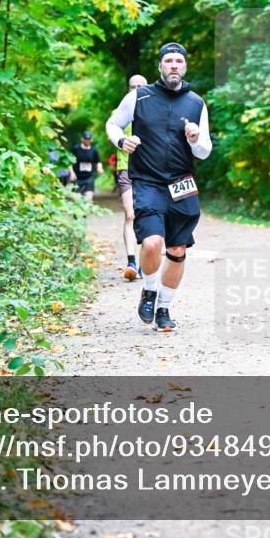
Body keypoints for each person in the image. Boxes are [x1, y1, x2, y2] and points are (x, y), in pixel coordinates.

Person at [106, 44, 212, 332]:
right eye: (168, 60)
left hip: (182, 183)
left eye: (179, 60)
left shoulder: (196, 103)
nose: (174, 65)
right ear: (160, 66)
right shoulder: (138, 96)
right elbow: (113, 124)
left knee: (177, 250)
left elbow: (204, 151)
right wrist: (122, 141)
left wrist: (194, 139)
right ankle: (150, 290)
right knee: (152, 243)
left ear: (185, 66)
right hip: (148, 181)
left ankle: (164, 308)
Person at [117, 74, 149, 281]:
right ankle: (131, 263)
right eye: (133, 86)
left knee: (148, 215)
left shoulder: (154, 111)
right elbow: (112, 132)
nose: (136, 90)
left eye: (141, 86)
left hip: (149, 171)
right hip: (126, 169)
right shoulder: (121, 112)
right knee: (130, 215)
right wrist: (122, 140)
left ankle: (146, 262)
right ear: (128, 89)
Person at [71, 131, 103, 201]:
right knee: (77, 201)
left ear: (91, 140)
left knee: (88, 200)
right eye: (86, 139)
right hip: (77, 177)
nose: (87, 140)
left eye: (89, 139)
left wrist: (99, 167)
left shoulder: (93, 150)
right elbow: (70, 162)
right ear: (82, 139)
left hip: (89, 177)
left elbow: (98, 161)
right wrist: (72, 173)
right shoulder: (76, 149)